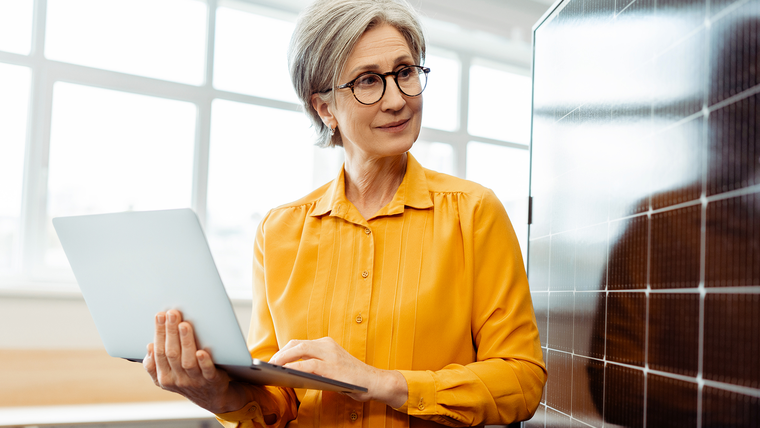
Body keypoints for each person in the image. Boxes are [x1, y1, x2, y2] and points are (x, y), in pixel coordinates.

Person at [142, 0, 547, 426]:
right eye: (369, 81)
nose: (397, 100)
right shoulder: (279, 231)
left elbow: (521, 381)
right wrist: (219, 394)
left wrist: (381, 382)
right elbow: (278, 397)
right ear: (324, 108)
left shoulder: (474, 213)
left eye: (405, 72)